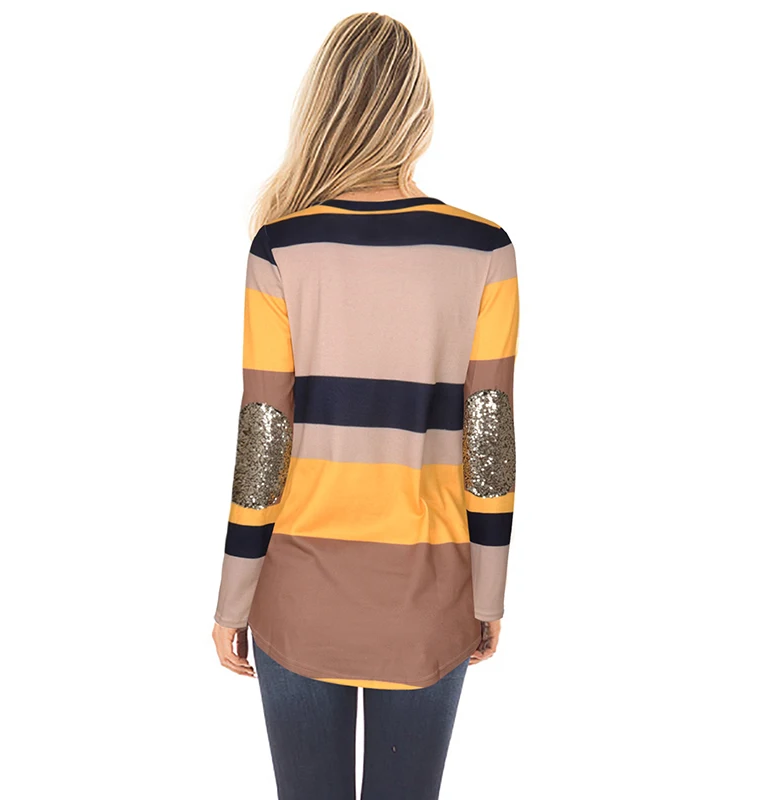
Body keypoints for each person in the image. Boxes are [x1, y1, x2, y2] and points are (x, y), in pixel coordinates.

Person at [210, 12, 519, 800]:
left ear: (324, 104)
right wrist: (488, 591)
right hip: (429, 593)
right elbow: (488, 438)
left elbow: (263, 437)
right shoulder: (483, 249)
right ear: (418, 107)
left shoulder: (281, 245)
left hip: (298, 592)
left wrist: (233, 597)